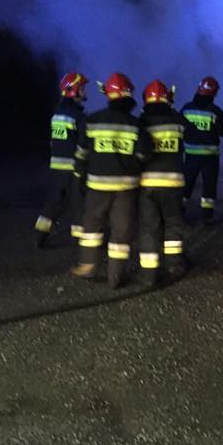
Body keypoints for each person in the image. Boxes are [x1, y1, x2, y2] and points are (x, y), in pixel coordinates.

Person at [72, 73, 152, 288]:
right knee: (121, 231)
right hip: (126, 188)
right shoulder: (136, 125)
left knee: (92, 226)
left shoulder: (92, 121)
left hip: (97, 185)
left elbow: (81, 153)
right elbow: (144, 155)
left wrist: (79, 176)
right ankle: (115, 276)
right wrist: (132, 167)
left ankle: (88, 266)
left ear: (108, 95)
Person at [138, 79, 189, 286]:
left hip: (147, 184)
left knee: (149, 227)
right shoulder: (177, 121)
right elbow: (192, 132)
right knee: (173, 224)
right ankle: (174, 265)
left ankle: (149, 273)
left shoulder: (141, 122)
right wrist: (172, 108)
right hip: (173, 184)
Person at [33, 72, 88, 249]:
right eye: (82, 88)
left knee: (55, 200)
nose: (85, 92)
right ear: (74, 90)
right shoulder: (78, 116)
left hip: (56, 165)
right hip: (73, 166)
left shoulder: (57, 113)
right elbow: (83, 144)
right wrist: (83, 164)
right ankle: (82, 241)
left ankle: (40, 235)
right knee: (79, 202)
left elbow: (53, 141)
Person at [181, 76, 223, 223]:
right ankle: (207, 216)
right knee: (209, 186)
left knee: (187, 184)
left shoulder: (187, 109)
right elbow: (221, 132)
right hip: (210, 156)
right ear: (214, 93)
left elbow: (180, 129)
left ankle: (179, 213)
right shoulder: (216, 111)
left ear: (198, 89)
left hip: (191, 154)